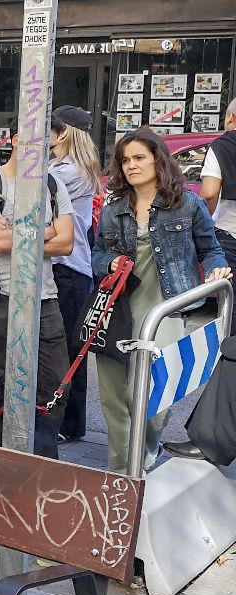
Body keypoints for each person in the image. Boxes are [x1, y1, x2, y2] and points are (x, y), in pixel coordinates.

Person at [92, 128, 229, 473]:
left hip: (167, 309)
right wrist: (109, 262)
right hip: (117, 310)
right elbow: (96, 255)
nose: (131, 166)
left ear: (158, 159)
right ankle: (120, 472)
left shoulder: (188, 203)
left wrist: (217, 269)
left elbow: (210, 250)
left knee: (155, 396)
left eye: (139, 158)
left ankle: (143, 459)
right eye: (125, 160)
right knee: (114, 398)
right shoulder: (114, 208)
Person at [0, 126, 75, 439]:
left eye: (49, 143)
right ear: (16, 140)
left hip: (46, 298)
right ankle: (5, 452)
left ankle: (41, 449)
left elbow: (66, 243)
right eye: (39, 140)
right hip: (2, 297)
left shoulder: (52, 185)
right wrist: (46, 231)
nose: (44, 149)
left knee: (56, 384)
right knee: (0, 385)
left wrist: (13, 230)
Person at [48, 105, 101, 444]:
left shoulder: (70, 171)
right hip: (67, 268)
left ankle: (69, 422)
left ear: (63, 132)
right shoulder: (66, 167)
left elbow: (31, 197)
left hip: (69, 269)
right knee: (64, 347)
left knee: (68, 350)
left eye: (49, 128)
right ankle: (65, 419)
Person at [200, 97, 236, 270]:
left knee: (228, 295)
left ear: (231, 117)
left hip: (230, 236)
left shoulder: (222, 145)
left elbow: (209, 193)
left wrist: (201, 227)